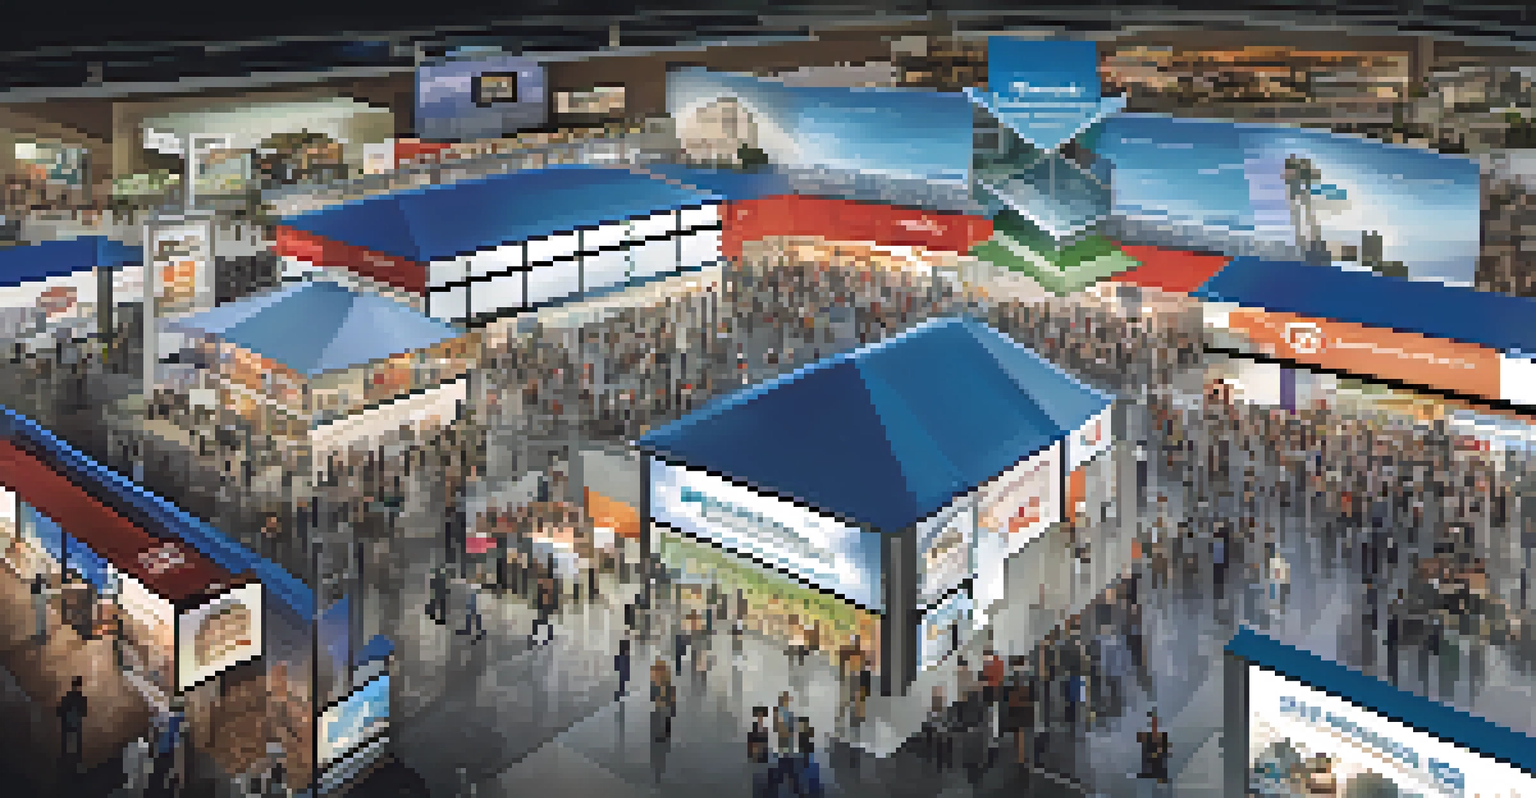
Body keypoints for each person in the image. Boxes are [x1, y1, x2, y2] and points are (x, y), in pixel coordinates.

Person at [58, 675, 88, 774]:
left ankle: (64, 757)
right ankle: (77, 760)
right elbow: (84, 712)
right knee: (77, 740)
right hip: (75, 720)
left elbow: (62, 708)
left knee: (66, 739)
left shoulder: (69, 696)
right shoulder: (81, 698)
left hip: (68, 719)